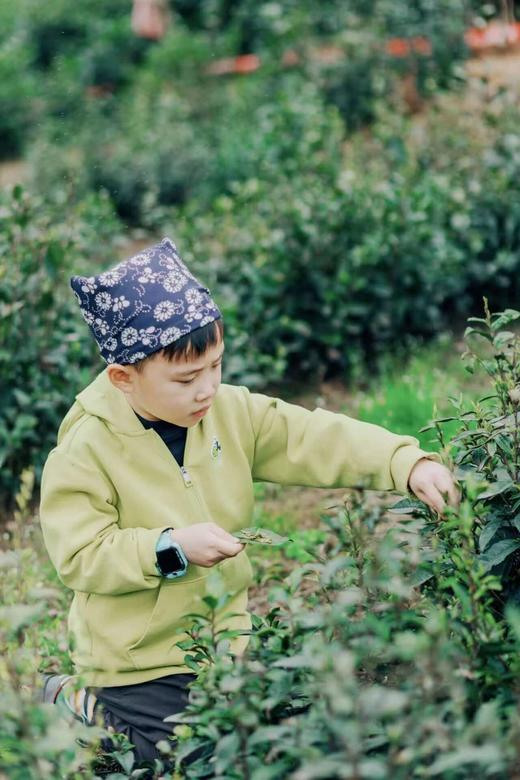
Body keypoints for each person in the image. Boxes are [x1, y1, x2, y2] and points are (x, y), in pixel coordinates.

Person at [39, 237, 460, 767]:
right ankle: (77, 703)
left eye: (216, 366)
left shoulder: (229, 413)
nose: (208, 389)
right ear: (124, 378)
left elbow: (313, 437)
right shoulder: (84, 451)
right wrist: (170, 548)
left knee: (259, 734)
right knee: (181, 759)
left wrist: (406, 463)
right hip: (137, 659)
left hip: (224, 635)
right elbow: (80, 554)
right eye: (187, 378)